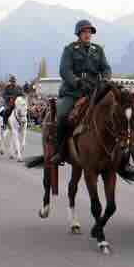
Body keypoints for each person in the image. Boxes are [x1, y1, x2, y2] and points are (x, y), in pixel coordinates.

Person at [51, 19, 111, 165]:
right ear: (78, 34)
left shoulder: (98, 50)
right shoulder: (70, 49)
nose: (87, 34)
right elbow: (64, 70)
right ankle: (60, 151)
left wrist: (104, 79)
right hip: (72, 92)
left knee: (112, 113)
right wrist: (77, 82)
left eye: (89, 32)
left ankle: (119, 154)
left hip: (93, 91)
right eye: (84, 32)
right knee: (63, 115)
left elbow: (106, 68)